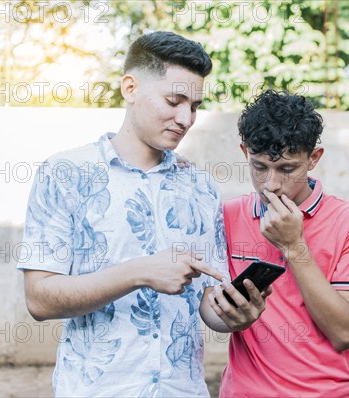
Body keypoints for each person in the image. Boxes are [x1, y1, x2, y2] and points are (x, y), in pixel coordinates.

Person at [18, 31, 267, 397]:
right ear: (130, 88)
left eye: (195, 106)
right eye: (174, 100)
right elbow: (39, 299)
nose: (186, 118)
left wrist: (235, 315)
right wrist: (139, 272)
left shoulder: (201, 187)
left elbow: (208, 307)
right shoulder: (65, 173)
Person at [215, 89, 349, 397]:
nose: (271, 184)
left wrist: (294, 246)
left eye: (287, 169)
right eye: (259, 167)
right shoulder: (226, 216)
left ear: (313, 159)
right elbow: (212, 311)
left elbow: (345, 333)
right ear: (244, 152)